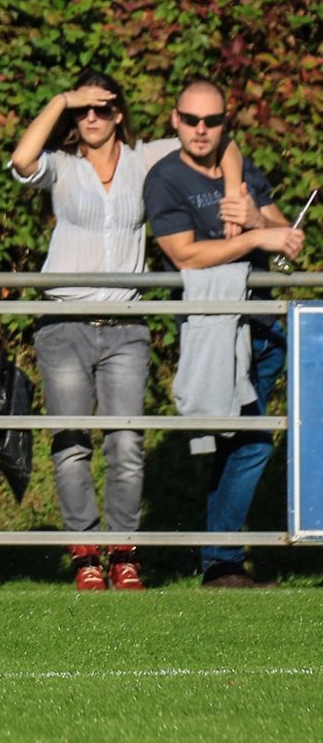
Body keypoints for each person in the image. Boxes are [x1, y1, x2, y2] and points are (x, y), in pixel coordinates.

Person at [9, 69, 248, 590]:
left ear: (119, 113)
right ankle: (85, 553)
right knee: (71, 443)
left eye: (101, 108)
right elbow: (22, 160)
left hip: (126, 325)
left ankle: (124, 552)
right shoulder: (63, 166)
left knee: (126, 443)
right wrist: (61, 97)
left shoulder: (147, 158)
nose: (91, 118)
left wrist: (233, 195)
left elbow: (221, 142)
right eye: (82, 111)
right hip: (64, 322)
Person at [143, 78, 302, 588]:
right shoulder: (165, 178)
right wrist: (256, 236)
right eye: (191, 120)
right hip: (217, 324)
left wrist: (257, 215)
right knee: (251, 443)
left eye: (212, 121)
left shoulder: (239, 163)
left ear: (225, 122)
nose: (201, 130)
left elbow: (286, 232)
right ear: (174, 120)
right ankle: (219, 560)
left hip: (263, 321)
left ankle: (219, 562)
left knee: (240, 443)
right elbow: (184, 254)